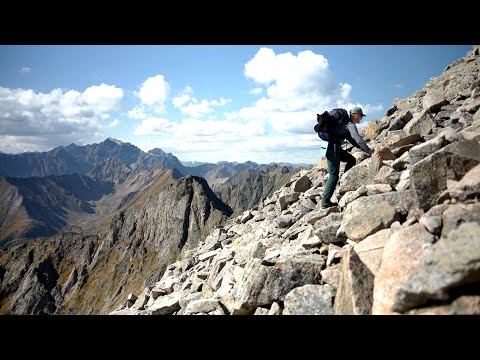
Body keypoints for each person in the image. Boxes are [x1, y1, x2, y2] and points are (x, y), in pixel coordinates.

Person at [321, 106, 373, 208]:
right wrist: (369, 151)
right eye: (361, 116)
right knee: (333, 175)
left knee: (351, 159)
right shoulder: (350, 125)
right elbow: (357, 139)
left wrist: (364, 148)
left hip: (327, 146)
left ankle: (345, 182)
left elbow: (353, 141)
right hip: (332, 149)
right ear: (356, 115)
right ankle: (325, 202)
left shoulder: (344, 124)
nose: (361, 118)